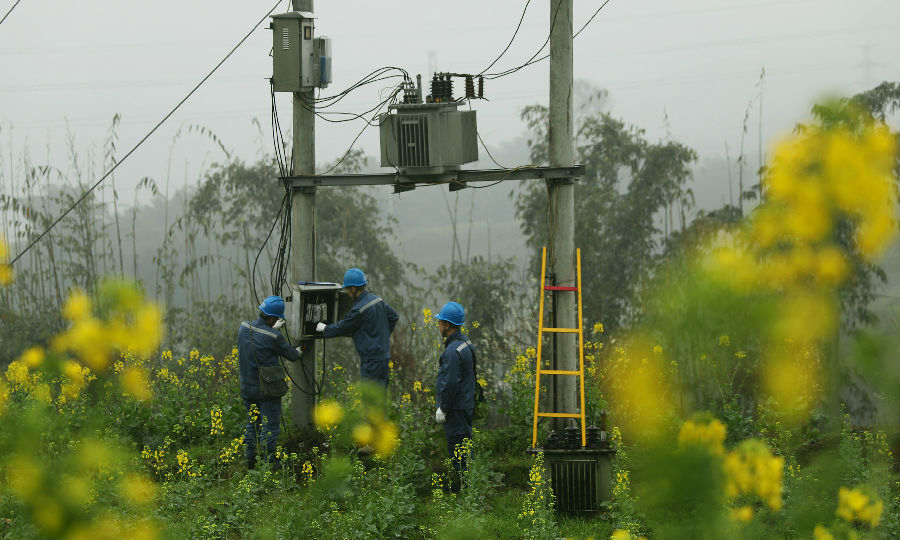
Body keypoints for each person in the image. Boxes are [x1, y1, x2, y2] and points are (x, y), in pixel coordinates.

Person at [237, 295, 300, 469]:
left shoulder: (243, 328)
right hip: (266, 388)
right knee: (270, 425)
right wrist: (299, 350)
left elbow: (258, 339)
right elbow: (293, 355)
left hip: (247, 386)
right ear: (273, 318)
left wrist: (274, 329)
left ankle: (250, 459)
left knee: (253, 422)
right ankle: (269, 462)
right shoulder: (274, 337)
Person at [316, 268, 399, 387]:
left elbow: (343, 327)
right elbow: (394, 317)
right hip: (383, 358)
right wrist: (382, 337)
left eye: (347, 289)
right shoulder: (377, 300)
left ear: (353, 288)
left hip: (371, 362)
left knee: (370, 400)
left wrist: (325, 328)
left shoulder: (359, 309)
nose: (348, 294)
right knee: (380, 398)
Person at [434, 301, 476, 489]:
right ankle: (470, 487)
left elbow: (450, 383)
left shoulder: (452, 351)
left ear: (447, 325)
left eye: (441, 322)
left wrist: (443, 407)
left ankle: (467, 491)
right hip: (465, 404)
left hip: (456, 408)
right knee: (465, 446)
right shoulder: (465, 343)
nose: (439, 325)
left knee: (459, 449)